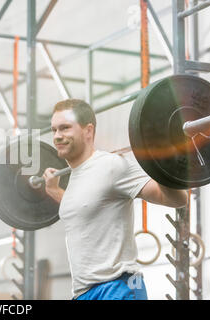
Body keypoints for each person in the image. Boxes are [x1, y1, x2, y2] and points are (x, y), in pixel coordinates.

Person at [42, 99, 188, 300]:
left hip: (117, 287)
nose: (57, 136)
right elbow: (85, 208)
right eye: (54, 130)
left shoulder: (111, 165)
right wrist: (54, 190)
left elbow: (176, 199)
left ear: (88, 131)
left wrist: (162, 158)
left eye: (65, 128)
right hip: (83, 292)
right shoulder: (75, 178)